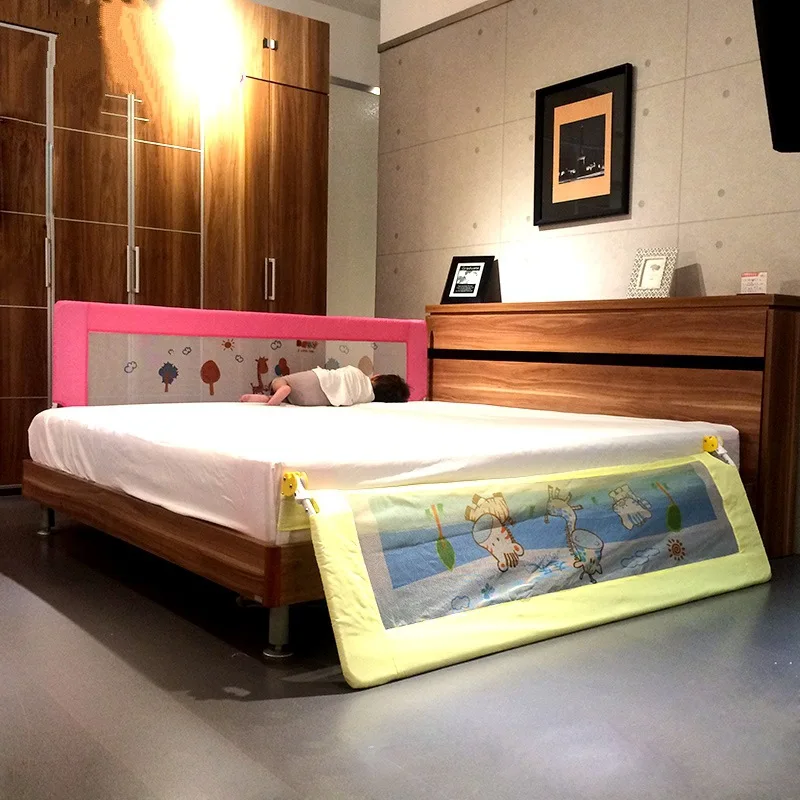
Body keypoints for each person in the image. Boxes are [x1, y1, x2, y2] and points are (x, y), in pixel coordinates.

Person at [241, 365, 410, 407]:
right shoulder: (365, 399)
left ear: (376, 377)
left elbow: (341, 374)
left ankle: (277, 392)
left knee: (281, 381)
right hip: (315, 400)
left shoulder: (357, 374)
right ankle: (271, 399)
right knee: (290, 400)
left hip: (317, 380)